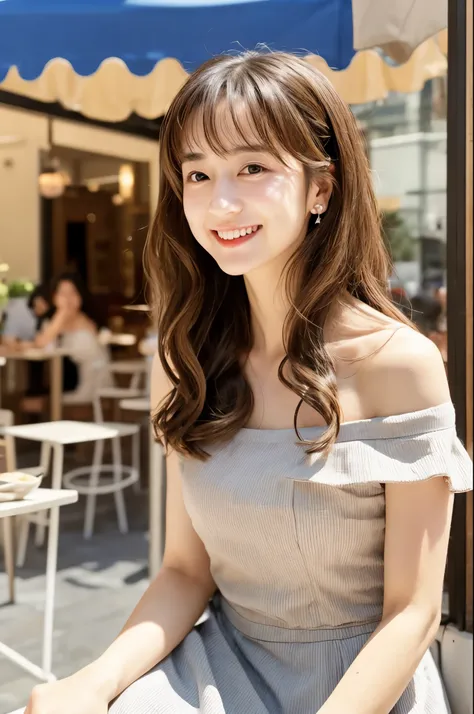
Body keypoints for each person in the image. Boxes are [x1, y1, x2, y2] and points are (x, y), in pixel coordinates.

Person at [26, 52, 472, 714]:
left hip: (365, 687)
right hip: (216, 670)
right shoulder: (183, 359)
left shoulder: (397, 364)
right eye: (199, 173)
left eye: (254, 168)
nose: (220, 202)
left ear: (321, 187)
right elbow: (184, 572)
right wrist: (94, 681)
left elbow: (410, 615)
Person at [22, 272, 111, 404]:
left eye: (72, 293)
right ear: (54, 297)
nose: (68, 299)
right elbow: (41, 342)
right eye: (62, 294)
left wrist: (62, 314)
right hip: (68, 382)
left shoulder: (85, 320)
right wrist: (61, 314)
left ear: (80, 295)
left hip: (92, 386)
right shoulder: (53, 321)